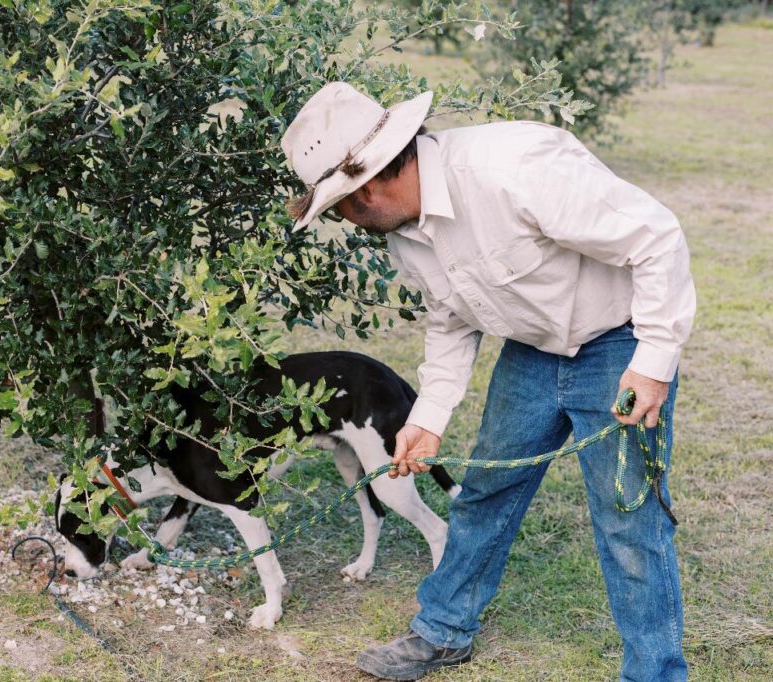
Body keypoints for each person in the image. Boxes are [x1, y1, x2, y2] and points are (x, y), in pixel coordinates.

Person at [280, 82, 695, 681]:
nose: (345, 220)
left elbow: (656, 238)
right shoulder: (404, 232)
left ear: (367, 187)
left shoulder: (515, 167)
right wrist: (426, 419)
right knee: (484, 493)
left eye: (340, 205)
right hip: (532, 353)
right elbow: (450, 322)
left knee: (628, 516)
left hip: (620, 341)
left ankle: (654, 672)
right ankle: (442, 631)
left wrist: (652, 363)